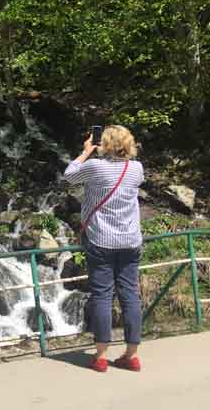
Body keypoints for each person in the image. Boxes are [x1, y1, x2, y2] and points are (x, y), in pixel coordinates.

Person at [64, 125, 144, 373]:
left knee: (102, 295)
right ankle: (131, 355)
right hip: (130, 241)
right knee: (130, 294)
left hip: (101, 240)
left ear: (104, 144)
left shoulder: (95, 166)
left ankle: (100, 356)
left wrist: (86, 152)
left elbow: (69, 175)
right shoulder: (136, 168)